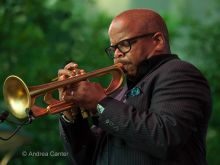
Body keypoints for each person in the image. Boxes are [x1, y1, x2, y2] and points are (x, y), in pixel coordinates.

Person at [58, 8, 212, 165]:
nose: (117, 54)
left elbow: (165, 137)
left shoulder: (178, 73)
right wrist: (73, 116)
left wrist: (100, 103)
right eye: (113, 48)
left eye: (124, 44)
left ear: (157, 41)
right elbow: (86, 158)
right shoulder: (122, 92)